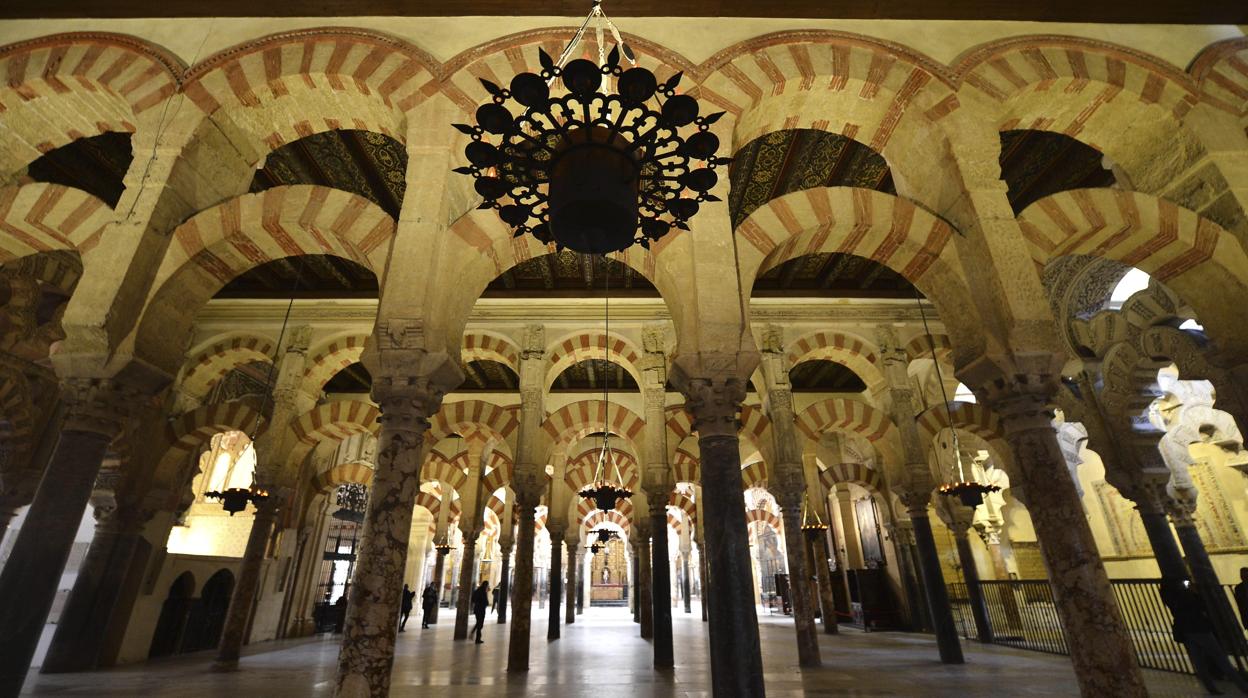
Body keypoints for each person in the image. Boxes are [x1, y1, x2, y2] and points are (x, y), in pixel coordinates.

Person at [1161, 577, 1248, 695]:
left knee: (1199, 662)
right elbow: (1200, 605)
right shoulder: (1187, 596)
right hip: (1200, 628)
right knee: (1221, 659)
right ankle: (1243, 687)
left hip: (1185, 630)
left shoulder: (1169, 597)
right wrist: (1194, 592)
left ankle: (1210, 688)